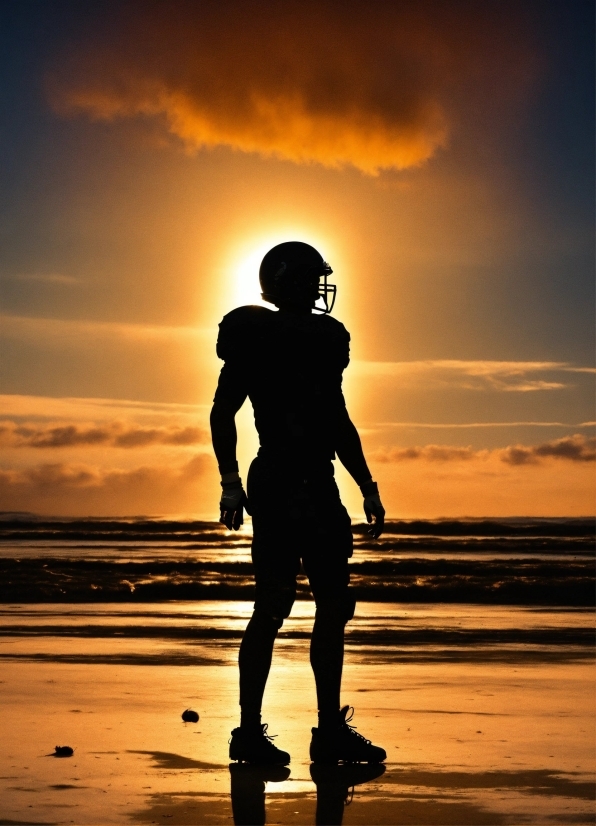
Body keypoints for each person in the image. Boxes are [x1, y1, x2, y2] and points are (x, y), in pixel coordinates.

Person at [210, 241, 386, 766]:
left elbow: (337, 419)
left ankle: (328, 729)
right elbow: (223, 413)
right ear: (288, 281)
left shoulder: (325, 339)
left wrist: (367, 483)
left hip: (319, 480)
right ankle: (248, 731)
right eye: (310, 278)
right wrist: (229, 481)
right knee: (273, 605)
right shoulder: (255, 336)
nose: (319, 288)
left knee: (334, 605)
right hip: (280, 479)